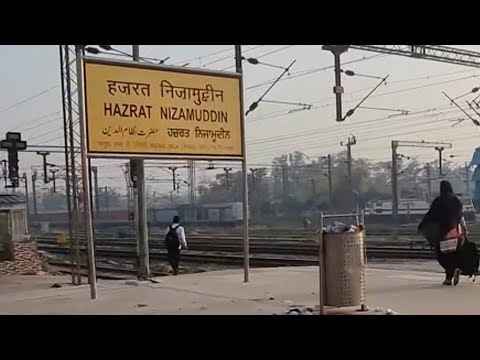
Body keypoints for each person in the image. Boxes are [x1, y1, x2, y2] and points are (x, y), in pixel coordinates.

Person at [418, 180, 468, 286]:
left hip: (443, 234)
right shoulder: (456, 201)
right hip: (456, 233)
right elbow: (460, 216)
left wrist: (423, 226)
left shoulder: (438, 201)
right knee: (454, 254)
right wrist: (465, 229)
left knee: (442, 256)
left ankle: (449, 277)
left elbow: (430, 216)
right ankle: (454, 270)